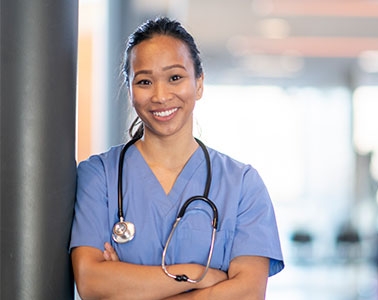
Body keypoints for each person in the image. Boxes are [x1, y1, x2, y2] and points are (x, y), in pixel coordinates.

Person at [70, 16, 284, 299]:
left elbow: (247, 293)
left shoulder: (242, 185)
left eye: (175, 77)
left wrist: (128, 284)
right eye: (145, 81)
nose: (160, 96)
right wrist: (199, 274)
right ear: (130, 90)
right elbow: (90, 281)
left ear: (199, 84)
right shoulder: (99, 176)